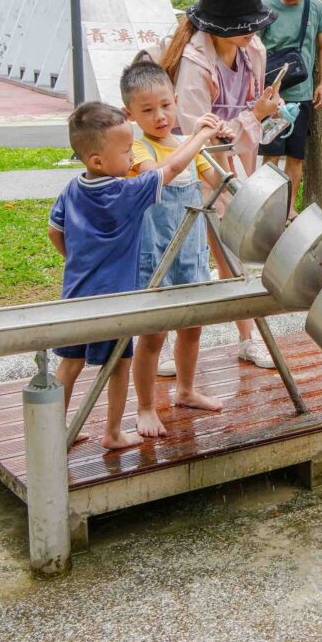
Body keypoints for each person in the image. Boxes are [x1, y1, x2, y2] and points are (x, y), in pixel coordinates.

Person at [48, 101, 221, 450]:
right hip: (115, 299)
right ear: (97, 160)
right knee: (118, 362)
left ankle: (54, 431)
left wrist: (77, 260)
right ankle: (112, 432)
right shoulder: (125, 192)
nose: (131, 157)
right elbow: (171, 167)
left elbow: (55, 231)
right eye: (126, 151)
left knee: (70, 362)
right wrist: (202, 134)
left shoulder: (72, 188)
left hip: (76, 292)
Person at [156, 0, 284, 369]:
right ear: (219, 27)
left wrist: (260, 114)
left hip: (231, 160)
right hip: (192, 168)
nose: (251, 33)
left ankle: (248, 337)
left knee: (233, 252)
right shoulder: (194, 63)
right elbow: (198, 138)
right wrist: (255, 115)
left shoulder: (252, 49)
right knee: (177, 256)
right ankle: (155, 347)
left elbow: (246, 114)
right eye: (243, 27)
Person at [120, 54, 233, 437]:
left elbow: (219, 182)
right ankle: (146, 406)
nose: (160, 116)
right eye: (148, 110)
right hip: (156, 256)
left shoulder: (188, 144)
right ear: (131, 114)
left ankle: (185, 390)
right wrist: (199, 138)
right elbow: (161, 177)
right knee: (153, 332)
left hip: (191, 251)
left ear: (176, 102)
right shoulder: (138, 151)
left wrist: (223, 142)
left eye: (166, 106)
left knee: (193, 325)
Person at [258, 0, 322, 219]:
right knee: (270, 156)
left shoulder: (316, 8)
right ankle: (268, 209)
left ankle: (289, 209)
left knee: (295, 156)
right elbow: (253, 50)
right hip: (270, 98)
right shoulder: (265, 6)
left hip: (302, 96)